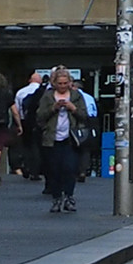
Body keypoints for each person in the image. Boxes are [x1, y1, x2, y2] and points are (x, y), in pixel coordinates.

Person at [31, 67, 90, 214]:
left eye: (65, 83)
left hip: (70, 138)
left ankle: (69, 197)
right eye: (60, 83)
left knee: (69, 168)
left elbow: (85, 116)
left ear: (70, 83)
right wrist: (53, 108)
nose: (62, 86)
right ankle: (57, 198)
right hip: (52, 138)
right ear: (54, 83)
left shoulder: (76, 96)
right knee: (54, 170)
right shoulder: (47, 96)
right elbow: (39, 117)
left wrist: (73, 108)